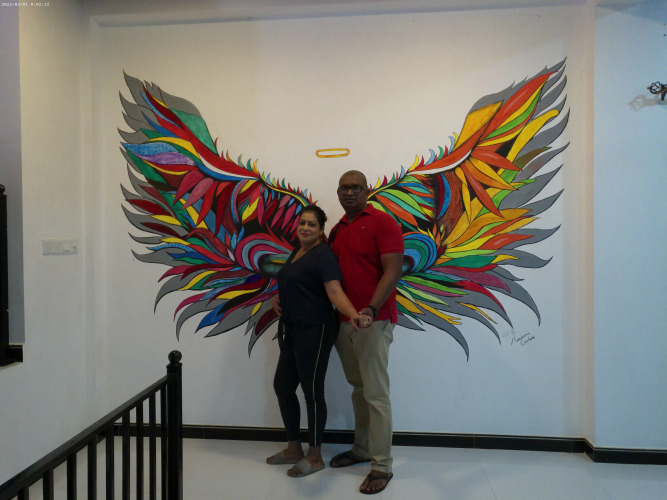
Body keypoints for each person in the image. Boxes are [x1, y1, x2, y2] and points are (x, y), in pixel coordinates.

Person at [267, 204, 371, 478]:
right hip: (294, 328)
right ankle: (293, 449)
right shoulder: (298, 250)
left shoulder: (323, 256)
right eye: (302, 223)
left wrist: (353, 315)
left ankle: (314, 456)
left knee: (312, 392)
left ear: (321, 230)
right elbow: (295, 281)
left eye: (312, 224)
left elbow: (334, 291)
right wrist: (278, 298)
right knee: (283, 386)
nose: (305, 228)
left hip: (316, 329)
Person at [328, 170, 404, 495]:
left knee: (376, 394)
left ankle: (382, 466)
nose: (349, 192)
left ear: (367, 190)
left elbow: (393, 271)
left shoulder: (382, 222)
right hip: (345, 322)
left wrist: (371, 308)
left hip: (374, 321)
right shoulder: (337, 230)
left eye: (355, 187)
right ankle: (361, 449)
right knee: (359, 388)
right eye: (344, 188)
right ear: (338, 192)